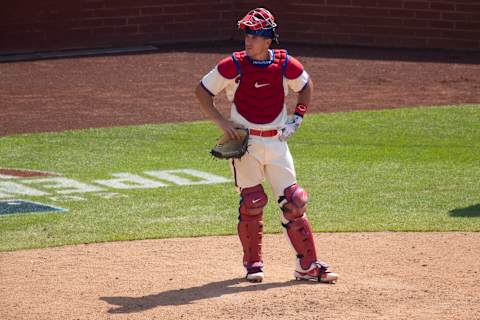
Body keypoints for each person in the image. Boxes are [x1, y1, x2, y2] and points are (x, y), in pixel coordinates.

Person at [195, 8, 339, 284]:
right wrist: (222, 122)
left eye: (255, 36)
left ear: (268, 39)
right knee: (253, 202)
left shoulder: (286, 64)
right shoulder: (232, 65)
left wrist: (298, 116)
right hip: (245, 142)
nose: (248, 41)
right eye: (247, 35)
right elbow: (202, 91)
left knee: (295, 202)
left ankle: (307, 267)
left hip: (276, 142)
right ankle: (253, 264)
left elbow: (306, 86)